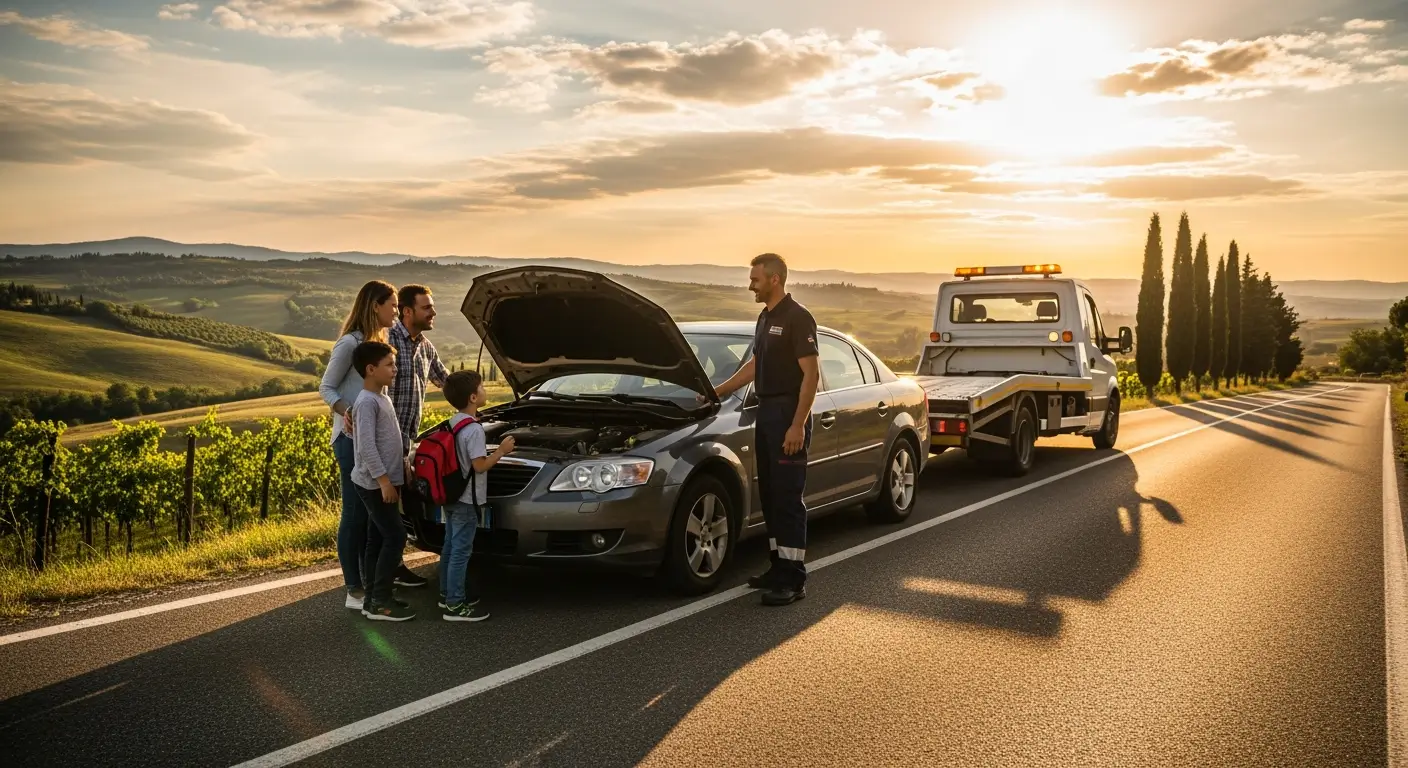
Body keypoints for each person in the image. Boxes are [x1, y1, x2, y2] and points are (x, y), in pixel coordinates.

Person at [712, 253, 819, 606]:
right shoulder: (765, 317)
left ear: (774, 279)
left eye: (755, 279)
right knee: (771, 496)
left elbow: (811, 375)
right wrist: (719, 391)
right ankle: (778, 568)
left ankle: (794, 579)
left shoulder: (797, 318)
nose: (750, 285)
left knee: (788, 499)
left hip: (789, 413)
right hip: (767, 412)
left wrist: (797, 426)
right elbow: (755, 364)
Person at [318, 279, 398, 611]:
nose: (395, 310)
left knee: (370, 519)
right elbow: (326, 387)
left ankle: (371, 585)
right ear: (374, 305)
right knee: (353, 514)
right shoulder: (348, 344)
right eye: (391, 304)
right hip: (350, 440)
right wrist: (345, 411)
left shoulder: (380, 342)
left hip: (372, 440)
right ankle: (354, 589)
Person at [439, 370, 516, 622]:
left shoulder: (453, 422)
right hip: (466, 500)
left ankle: (446, 594)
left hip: (450, 496)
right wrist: (502, 451)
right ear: (473, 397)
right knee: (461, 551)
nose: (485, 391)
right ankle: (455, 605)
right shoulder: (474, 430)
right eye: (482, 388)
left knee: (450, 547)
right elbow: (480, 466)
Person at [387, 284, 449, 588]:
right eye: (427, 307)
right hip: (385, 441)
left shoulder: (426, 347)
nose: (433, 312)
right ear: (407, 311)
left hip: (409, 442)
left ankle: (392, 567)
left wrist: (475, 398)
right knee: (384, 509)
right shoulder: (387, 341)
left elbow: (448, 383)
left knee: (400, 505)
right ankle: (379, 575)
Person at [350, 340, 416, 622]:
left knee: (377, 538)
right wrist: (385, 482)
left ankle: (374, 600)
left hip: (385, 479)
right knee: (395, 536)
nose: (395, 369)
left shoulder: (382, 397)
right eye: (389, 364)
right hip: (374, 483)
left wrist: (402, 467)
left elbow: (390, 439)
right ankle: (379, 601)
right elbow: (366, 447)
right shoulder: (366, 402)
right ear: (370, 369)